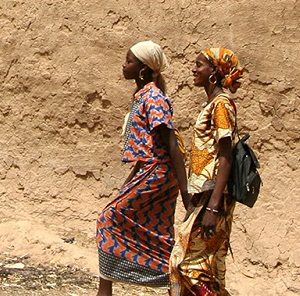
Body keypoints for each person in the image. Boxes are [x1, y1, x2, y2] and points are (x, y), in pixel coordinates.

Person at [96, 41, 191, 296]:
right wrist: (128, 183)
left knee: (108, 219)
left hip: (158, 173)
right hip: (149, 171)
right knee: (158, 234)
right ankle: (174, 284)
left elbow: (170, 142)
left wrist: (185, 192)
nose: (123, 65)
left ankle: (104, 291)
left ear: (142, 69)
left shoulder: (153, 97)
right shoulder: (142, 96)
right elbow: (146, 149)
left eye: (129, 61)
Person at [169, 47, 245, 296]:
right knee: (201, 268)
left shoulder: (221, 105)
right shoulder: (211, 104)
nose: (194, 69)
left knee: (190, 267)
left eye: (199, 65)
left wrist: (212, 207)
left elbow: (226, 156)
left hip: (214, 200)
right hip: (204, 197)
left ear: (214, 72)